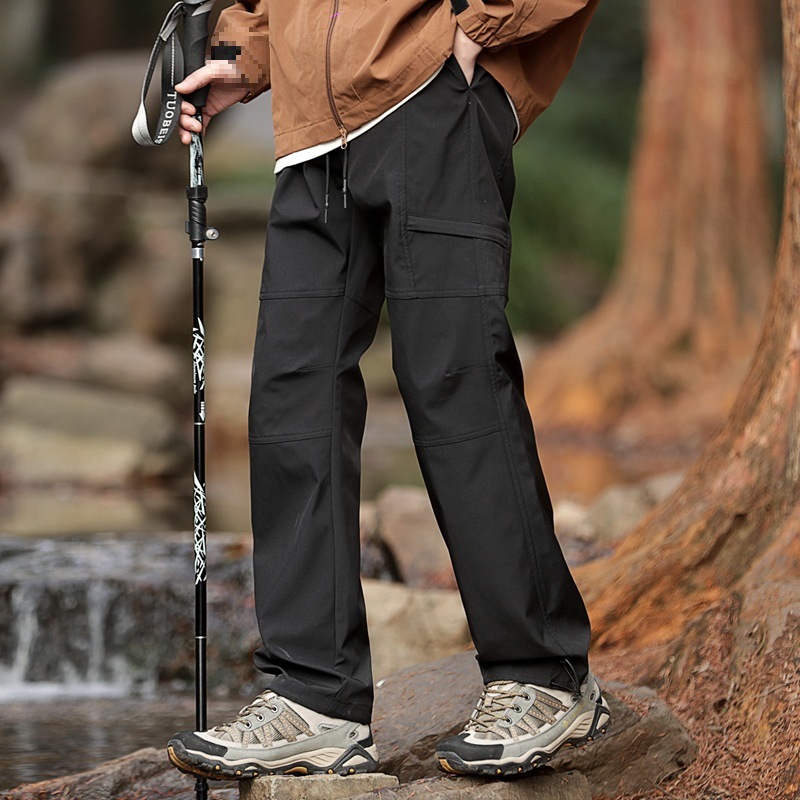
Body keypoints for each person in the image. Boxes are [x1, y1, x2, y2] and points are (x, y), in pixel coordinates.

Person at [166, 0, 610, 782]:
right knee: (291, 397)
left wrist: (479, 28)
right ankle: (313, 697)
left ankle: (544, 674)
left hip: (432, 93)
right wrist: (243, 56)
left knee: (455, 380)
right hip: (311, 133)